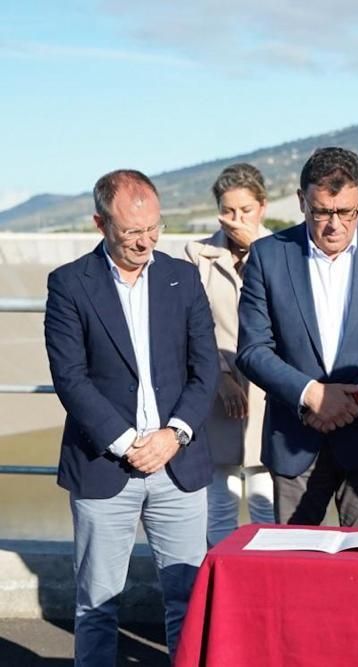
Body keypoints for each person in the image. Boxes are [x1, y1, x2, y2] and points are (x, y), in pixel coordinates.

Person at [44, 169, 219, 666]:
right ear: (100, 223)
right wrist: (127, 443)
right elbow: (70, 378)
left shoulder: (181, 277)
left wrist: (174, 435)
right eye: (131, 233)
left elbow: (204, 368)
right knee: (96, 605)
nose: (145, 242)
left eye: (154, 229)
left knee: (187, 602)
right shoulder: (68, 284)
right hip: (104, 467)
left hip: (178, 465)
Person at [236, 147, 358, 528]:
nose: (334, 225)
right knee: (293, 568)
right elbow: (252, 349)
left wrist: (354, 399)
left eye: (347, 212)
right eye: (322, 211)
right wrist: (311, 395)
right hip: (295, 438)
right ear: (301, 201)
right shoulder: (267, 256)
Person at [184, 163, 275, 545]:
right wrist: (220, 376)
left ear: (262, 207)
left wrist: (258, 251)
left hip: (270, 393)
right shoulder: (198, 255)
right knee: (219, 505)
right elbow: (193, 324)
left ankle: (269, 587)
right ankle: (220, 586)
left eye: (245, 211)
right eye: (227, 211)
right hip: (216, 391)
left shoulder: (282, 253)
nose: (235, 219)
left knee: (266, 503)